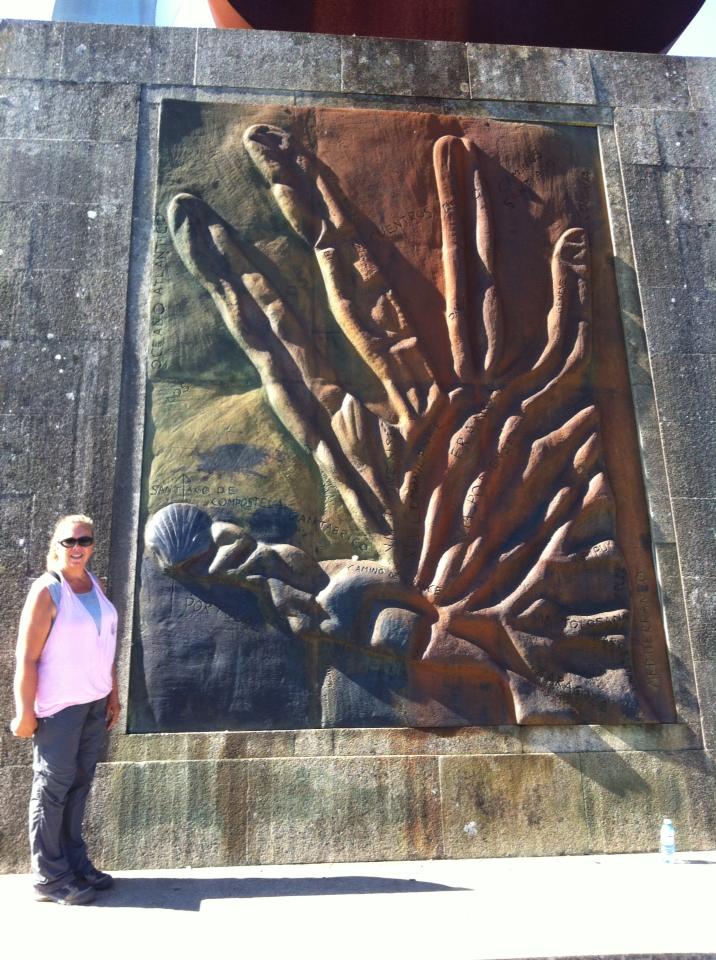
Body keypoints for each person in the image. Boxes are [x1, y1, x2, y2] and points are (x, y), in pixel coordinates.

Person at [10, 514, 121, 905]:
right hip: (59, 707)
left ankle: (75, 863)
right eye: (69, 541)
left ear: (92, 545)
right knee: (52, 790)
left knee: (79, 786)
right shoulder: (48, 590)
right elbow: (27, 658)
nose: (77, 548)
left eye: (84, 541)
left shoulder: (96, 585)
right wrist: (24, 712)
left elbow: (105, 645)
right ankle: (50, 876)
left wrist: (113, 694)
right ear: (56, 545)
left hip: (94, 702)